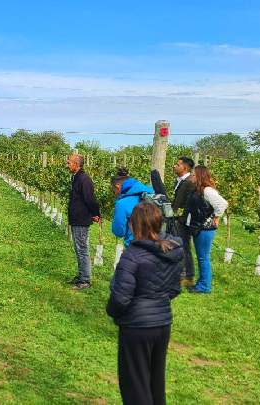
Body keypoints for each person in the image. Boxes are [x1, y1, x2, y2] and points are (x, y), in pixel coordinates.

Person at [107, 202, 183, 405]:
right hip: (162, 323)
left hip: (136, 327)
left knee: (135, 385)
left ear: (134, 226)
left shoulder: (132, 256)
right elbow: (175, 288)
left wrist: (114, 313)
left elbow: (120, 297)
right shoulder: (171, 251)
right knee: (155, 382)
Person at [186, 165, 229, 294]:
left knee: (203, 257)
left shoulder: (207, 191)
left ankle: (205, 286)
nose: (191, 176)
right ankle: (202, 282)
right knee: (201, 256)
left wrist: (216, 217)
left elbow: (223, 203)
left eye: (193, 174)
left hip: (205, 228)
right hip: (199, 227)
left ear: (199, 176)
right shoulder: (198, 190)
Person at [67, 153, 101, 290]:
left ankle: (85, 280)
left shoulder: (84, 179)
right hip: (76, 218)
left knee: (82, 249)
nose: (67, 164)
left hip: (81, 219)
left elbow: (90, 199)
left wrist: (95, 214)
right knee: (79, 248)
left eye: (69, 162)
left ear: (77, 164)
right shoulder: (76, 177)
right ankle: (81, 275)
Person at [111, 168, 155, 247]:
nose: (115, 193)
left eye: (113, 190)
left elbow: (119, 231)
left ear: (117, 186)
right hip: (157, 245)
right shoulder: (152, 194)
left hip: (136, 247)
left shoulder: (122, 203)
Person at [171, 157, 196, 287]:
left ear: (185, 168)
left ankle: (188, 276)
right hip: (178, 219)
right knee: (179, 246)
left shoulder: (189, 182)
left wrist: (180, 215)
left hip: (184, 221)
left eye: (178, 164)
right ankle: (180, 274)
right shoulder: (180, 181)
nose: (175, 166)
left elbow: (187, 203)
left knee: (184, 247)